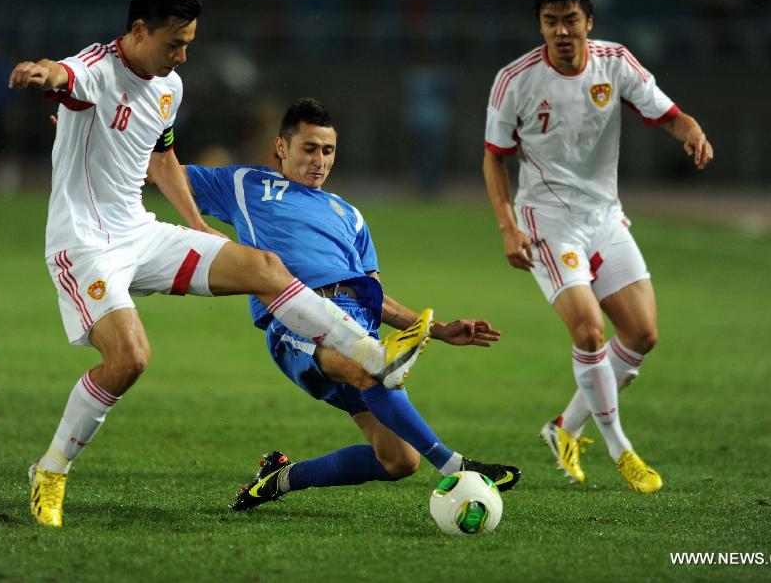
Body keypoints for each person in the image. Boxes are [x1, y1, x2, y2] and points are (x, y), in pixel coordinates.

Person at [8, 0, 431, 528]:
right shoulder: (97, 68)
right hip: (85, 243)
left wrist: (195, 227)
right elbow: (63, 74)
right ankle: (51, 469)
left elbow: (163, 158)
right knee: (128, 359)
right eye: (175, 42)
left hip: (139, 231)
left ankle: (369, 353)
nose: (183, 55)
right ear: (139, 32)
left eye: (189, 43)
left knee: (263, 267)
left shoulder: (169, 86)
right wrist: (42, 73)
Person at [184, 98, 521, 511]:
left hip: (358, 325)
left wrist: (440, 329)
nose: (319, 160)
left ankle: (282, 478)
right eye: (309, 148)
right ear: (281, 147)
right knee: (367, 368)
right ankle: (457, 466)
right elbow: (156, 170)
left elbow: (373, 296)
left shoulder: (350, 215)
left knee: (399, 460)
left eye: (328, 150)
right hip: (295, 322)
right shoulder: (244, 185)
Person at [482, 0, 713, 493]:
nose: (560, 32)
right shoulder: (515, 81)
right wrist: (507, 226)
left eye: (569, 20)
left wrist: (691, 129)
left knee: (641, 335)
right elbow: (495, 155)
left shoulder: (616, 63)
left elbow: (668, 115)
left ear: (588, 20)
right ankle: (621, 450)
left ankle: (563, 428)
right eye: (550, 21)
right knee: (588, 332)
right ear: (540, 25)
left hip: (604, 217)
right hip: (545, 220)